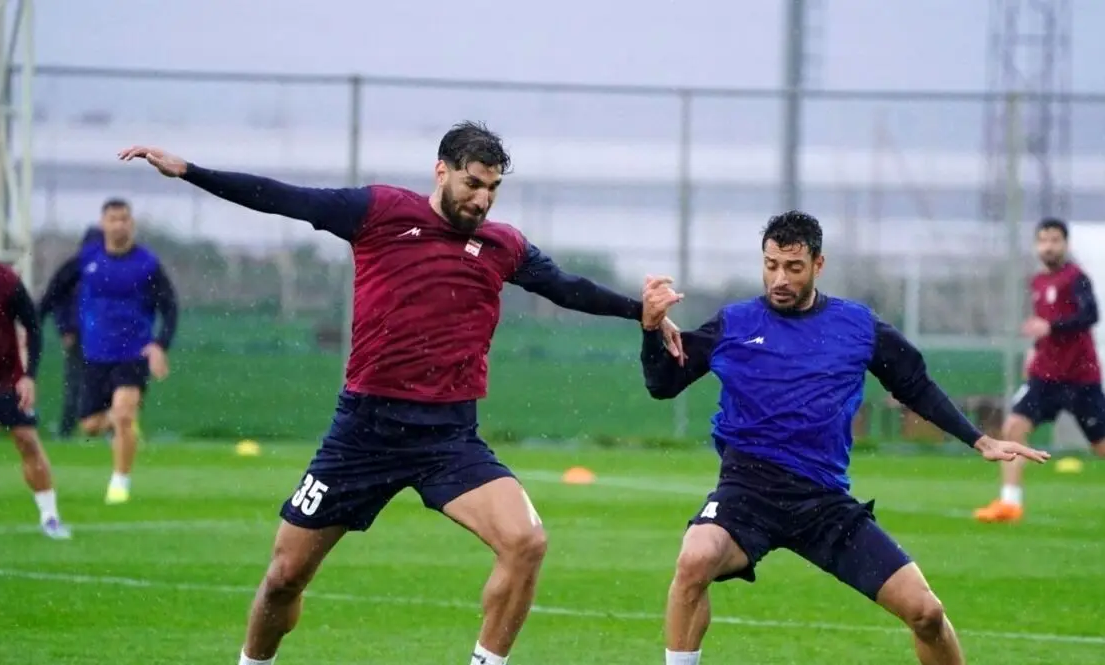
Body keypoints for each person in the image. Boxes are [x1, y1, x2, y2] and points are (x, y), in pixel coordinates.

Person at [117, 120, 684, 665]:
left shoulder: (502, 245)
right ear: (441, 171)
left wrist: (641, 312)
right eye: (473, 184)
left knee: (526, 542)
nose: (483, 200)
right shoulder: (380, 212)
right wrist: (190, 171)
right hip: (363, 433)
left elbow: (568, 288)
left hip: (449, 438)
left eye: (492, 189)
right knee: (285, 577)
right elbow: (284, 197)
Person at [638, 211, 1049, 665]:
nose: (780, 278)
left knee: (927, 614)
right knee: (694, 559)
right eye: (771, 265)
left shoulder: (857, 326)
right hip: (747, 491)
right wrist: (651, 330)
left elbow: (915, 387)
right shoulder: (734, 323)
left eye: (793, 267)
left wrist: (979, 440)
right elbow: (663, 384)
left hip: (823, 503)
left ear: (818, 264)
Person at [973, 217, 1105, 523]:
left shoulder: (1076, 278)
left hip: (1079, 377)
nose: (1049, 246)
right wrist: (1035, 350)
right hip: (1045, 376)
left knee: (1104, 445)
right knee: (1014, 427)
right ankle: (1010, 503)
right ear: (1036, 246)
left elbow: (1090, 315)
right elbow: (1043, 326)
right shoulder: (1038, 282)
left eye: (1055, 240)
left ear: (1066, 244)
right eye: (1043, 240)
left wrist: (1051, 327)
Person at [38, 199, 178, 505]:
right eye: (113, 219)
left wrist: (159, 344)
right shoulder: (87, 259)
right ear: (103, 224)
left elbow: (169, 306)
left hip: (133, 353)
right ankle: (121, 423)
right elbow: (54, 291)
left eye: (124, 219)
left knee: (124, 414)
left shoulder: (147, 263)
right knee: (89, 425)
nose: (119, 225)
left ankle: (119, 483)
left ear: (132, 224)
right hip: (95, 354)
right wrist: (30, 326)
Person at [0, 262, 71, 539]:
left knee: (26, 440)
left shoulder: (5, 280)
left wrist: (29, 376)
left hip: (5, 378)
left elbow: (33, 326)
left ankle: (50, 517)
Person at [41, 226, 104, 438]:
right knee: (78, 383)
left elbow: (53, 298)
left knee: (90, 383)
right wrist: (66, 328)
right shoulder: (76, 268)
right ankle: (69, 428)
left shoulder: (89, 266)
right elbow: (55, 298)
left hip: (99, 337)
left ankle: (94, 428)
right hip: (82, 335)